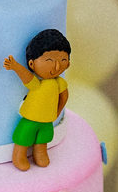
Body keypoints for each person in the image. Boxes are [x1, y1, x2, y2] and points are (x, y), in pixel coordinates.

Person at [5, 28, 71, 170]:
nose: (57, 66)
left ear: (68, 63)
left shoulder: (59, 83)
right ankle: (19, 156)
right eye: (49, 60)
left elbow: (64, 97)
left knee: (43, 139)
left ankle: (40, 154)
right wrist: (16, 66)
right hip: (30, 118)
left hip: (47, 121)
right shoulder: (36, 84)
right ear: (31, 64)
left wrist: (57, 112)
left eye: (63, 60)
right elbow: (27, 78)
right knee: (24, 137)